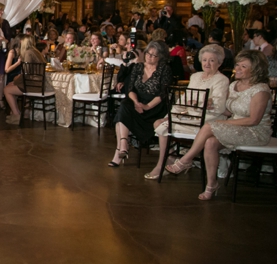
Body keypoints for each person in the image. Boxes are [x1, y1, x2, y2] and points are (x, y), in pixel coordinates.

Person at [166, 50, 272, 200]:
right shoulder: (234, 84)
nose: (238, 69)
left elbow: (253, 120)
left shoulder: (260, 89)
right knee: (210, 143)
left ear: (255, 70)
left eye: (243, 66)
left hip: (255, 131)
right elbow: (228, 111)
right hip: (235, 127)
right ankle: (211, 185)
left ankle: (186, 160)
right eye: (238, 65)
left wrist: (221, 123)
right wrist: (211, 104)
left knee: (209, 125)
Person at [144, 44, 230, 180]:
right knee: (159, 122)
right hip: (190, 116)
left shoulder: (222, 79)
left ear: (219, 63)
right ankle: (170, 157)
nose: (207, 63)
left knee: (163, 126)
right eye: (205, 59)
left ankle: (163, 163)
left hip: (208, 119)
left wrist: (198, 103)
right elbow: (184, 99)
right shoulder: (195, 76)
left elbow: (219, 106)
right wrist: (171, 115)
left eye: (212, 60)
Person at [109, 41, 172, 167]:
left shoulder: (165, 69)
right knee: (125, 105)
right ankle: (123, 145)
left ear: (161, 57)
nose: (149, 57)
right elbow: (130, 89)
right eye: (148, 53)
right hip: (137, 102)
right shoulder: (138, 67)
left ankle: (120, 149)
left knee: (121, 118)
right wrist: (137, 102)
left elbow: (162, 94)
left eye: (154, 55)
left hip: (155, 107)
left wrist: (147, 106)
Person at [3, 35, 51, 125]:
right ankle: (20, 113)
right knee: (10, 86)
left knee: (6, 89)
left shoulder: (28, 53)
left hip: (33, 84)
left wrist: (15, 80)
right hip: (37, 82)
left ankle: (16, 115)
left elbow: (27, 74)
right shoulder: (35, 51)